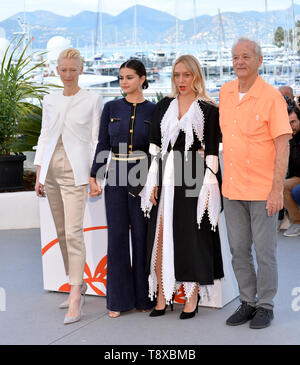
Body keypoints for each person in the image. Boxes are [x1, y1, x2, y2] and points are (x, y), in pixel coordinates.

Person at [140, 55, 224, 320]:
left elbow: (211, 152)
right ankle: (163, 296)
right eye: (177, 75)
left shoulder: (209, 108)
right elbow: (154, 146)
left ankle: (191, 296)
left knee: (192, 237)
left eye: (186, 75)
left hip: (192, 174)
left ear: (196, 75)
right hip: (165, 173)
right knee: (161, 234)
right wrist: (151, 181)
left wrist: (209, 189)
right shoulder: (164, 105)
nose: (181, 80)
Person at [219, 38, 292, 329]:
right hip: (232, 188)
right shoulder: (224, 93)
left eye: (246, 56)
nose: (239, 61)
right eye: (236, 56)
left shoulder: (272, 97)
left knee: (265, 252)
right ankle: (247, 301)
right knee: (238, 250)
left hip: (263, 190)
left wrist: (277, 190)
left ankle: (266, 305)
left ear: (259, 61)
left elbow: (283, 146)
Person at [34, 48, 103, 325]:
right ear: (58, 70)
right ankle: (77, 282)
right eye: (63, 69)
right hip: (51, 169)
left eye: (72, 69)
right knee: (62, 231)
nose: (67, 74)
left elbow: (98, 140)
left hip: (77, 171)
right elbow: (45, 134)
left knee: (73, 232)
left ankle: (75, 295)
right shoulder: (49, 99)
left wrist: (94, 176)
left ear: (81, 70)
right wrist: (39, 173)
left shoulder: (93, 99)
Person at [89, 59, 156, 318]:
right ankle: (117, 301)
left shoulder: (154, 110)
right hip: (115, 174)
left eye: (129, 77)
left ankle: (144, 297)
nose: (124, 82)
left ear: (142, 78)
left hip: (143, 176)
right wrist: (94, 174)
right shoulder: (110, 107)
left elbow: (157, 149)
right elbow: (103, 143)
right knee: (116, 237)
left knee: (141, 236)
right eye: (121, 78)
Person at [283, 105, 300, 237]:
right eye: (288, 123)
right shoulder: (289, 137)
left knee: (292, 189)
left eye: (293, 122)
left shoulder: (292, 139)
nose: (291, 126)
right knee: (280, 186)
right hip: (296, 176)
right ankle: (296, 221)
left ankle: (296, 222)